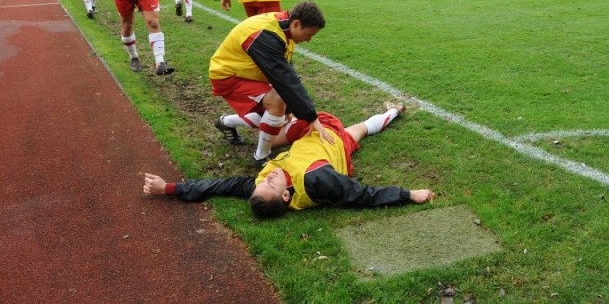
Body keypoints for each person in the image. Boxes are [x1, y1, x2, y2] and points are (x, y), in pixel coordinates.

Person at [142, 103, 435, 219]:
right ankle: (395, 110)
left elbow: (220, 186)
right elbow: (362, 195)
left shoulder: (261, 188)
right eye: (270, 182)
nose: (264, 178)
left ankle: (230, 121)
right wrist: (409, 194)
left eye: (262, 182)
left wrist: (168, 188)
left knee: (277, 120)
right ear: (285, 194)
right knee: (357, 130)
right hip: (329, 137)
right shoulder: (318, 181)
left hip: (303, 141)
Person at [210, 0, 329, 165]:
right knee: (277, 102)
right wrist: (311, 118)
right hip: (228, 76)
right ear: (296, 23)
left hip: (246, 74)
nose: (308, 40)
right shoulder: (265, 36)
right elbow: (284, 78)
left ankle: (226, 122)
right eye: (309, 34)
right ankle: (261, 157)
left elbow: (286, 73)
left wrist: (291, 109)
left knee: (282, 114)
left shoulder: (282, 28)